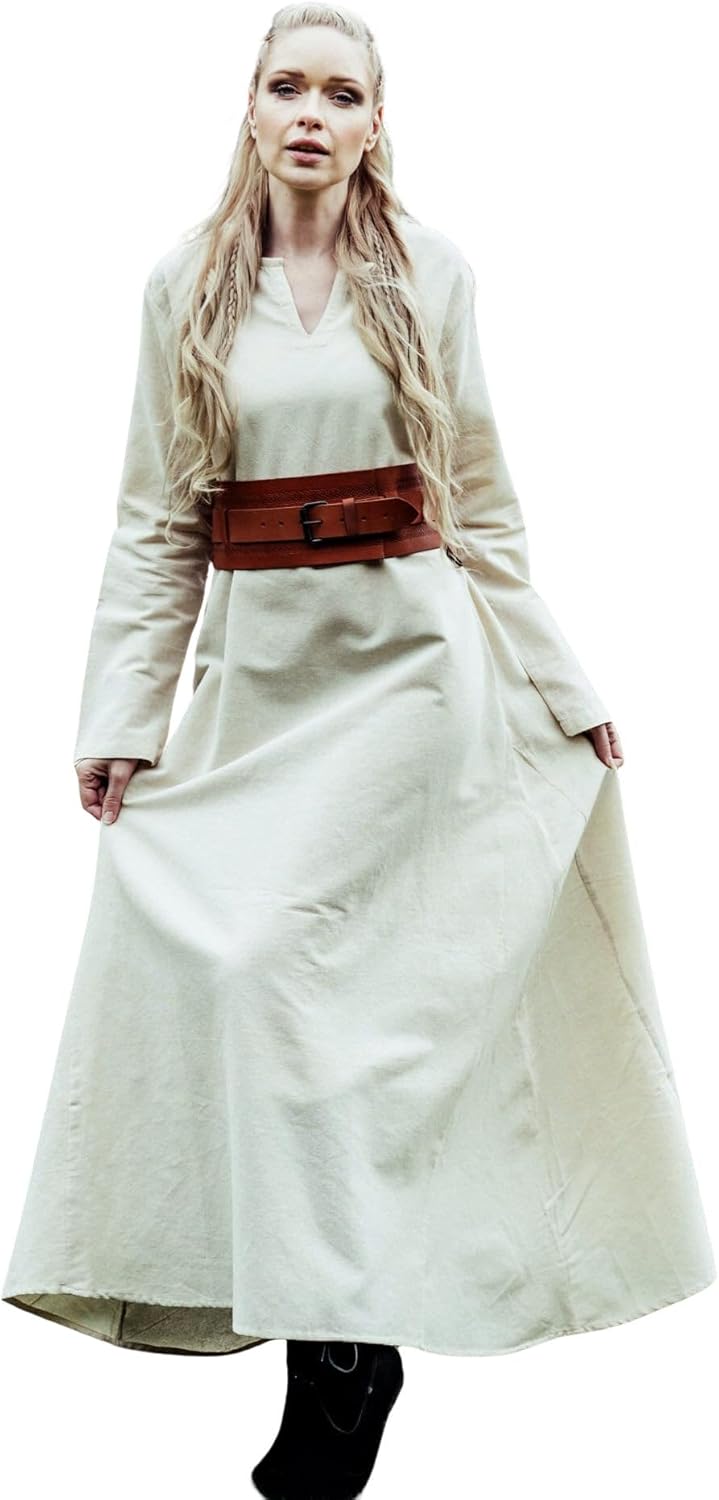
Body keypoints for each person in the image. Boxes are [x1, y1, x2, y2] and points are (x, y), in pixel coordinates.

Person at [3, 6, 715, 1499]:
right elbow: (154, 521)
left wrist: (560, 679)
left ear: (376, 121)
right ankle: (342, 1344)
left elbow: (483, 502)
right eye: (289, 87)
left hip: (413, 684)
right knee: (254, 983)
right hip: (260, 691)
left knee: (356, 1028)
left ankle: (339, 1361)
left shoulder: (430, 274)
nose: (313, 114)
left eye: (342, 93)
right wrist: (122, 716)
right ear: (252, 109)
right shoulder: (184, 286)